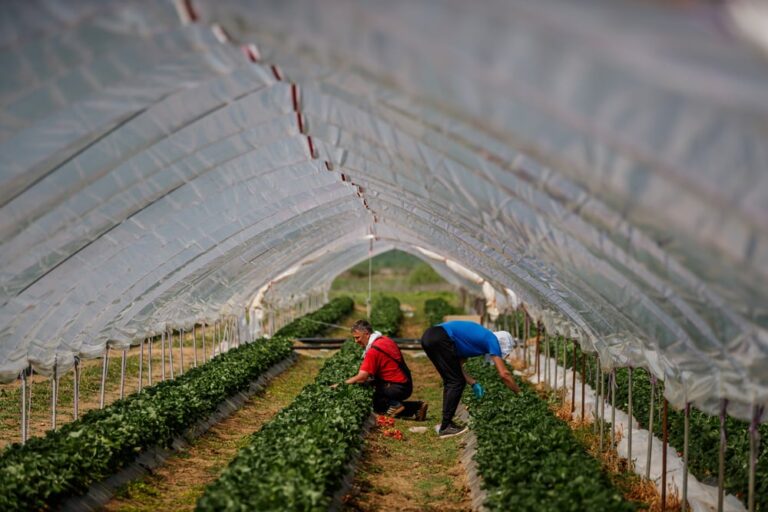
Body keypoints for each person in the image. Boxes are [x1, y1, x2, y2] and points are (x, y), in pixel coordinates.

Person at [420, 320, 520, 438]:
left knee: (451, 380)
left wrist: (473, 383)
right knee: (455, 382)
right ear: (502, 344)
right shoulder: (491, 339)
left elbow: (458, 367)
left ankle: (446, 423)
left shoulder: (474, 341)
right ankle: (446, 426)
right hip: (439, 337)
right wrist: (519, 393)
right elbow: (504, 374)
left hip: (429, 336)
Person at [343, 319, 428, 420]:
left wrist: (342, 384)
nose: (356, 341)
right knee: (373, 385)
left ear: (366, 334)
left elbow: (362, 377)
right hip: (406, 384)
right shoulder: (384, 340)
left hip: (396, 388)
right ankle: (417, 407)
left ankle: (396, 405)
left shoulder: (373, 351)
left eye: (357, 338)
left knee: (375, 402)